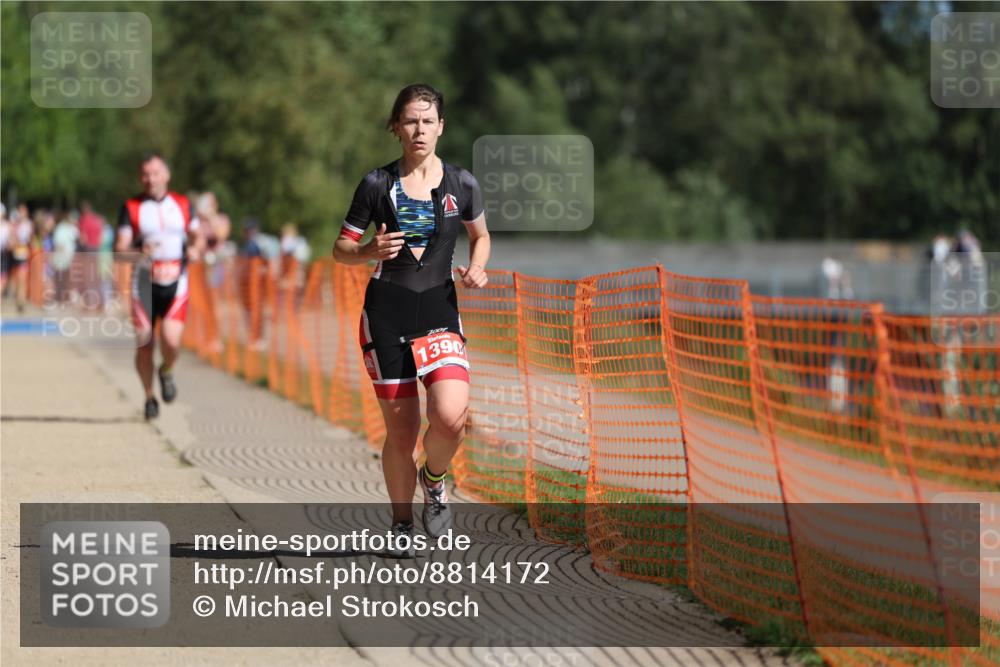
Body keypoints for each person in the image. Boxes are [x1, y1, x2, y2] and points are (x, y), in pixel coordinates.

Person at [333, 83, 491, 555]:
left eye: (428, 120)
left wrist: (478, 268)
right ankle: (402, 523)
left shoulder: (462, 183)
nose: (419, 129)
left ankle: (435, 478)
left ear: (441, 127)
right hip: (386, 316)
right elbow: (340, 249)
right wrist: (365, 251)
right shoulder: (375, 185)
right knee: (401, 434)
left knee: (450, 417)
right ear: (395, 127)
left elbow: (480, 236)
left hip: (440, 313)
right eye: (410, 120)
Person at [116, 153, 203, 420]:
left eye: (154, 173)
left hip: (176, 279)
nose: (149, 179)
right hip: (143, 284)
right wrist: (139, 250)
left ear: (166, 175)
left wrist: (197, 249)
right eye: (144, 174)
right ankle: (149, 397)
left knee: (170, 339)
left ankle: (167, 369)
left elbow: (198, 235)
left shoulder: (183, 204)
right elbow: (119, 251)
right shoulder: (131, 207)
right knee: (144, 344)